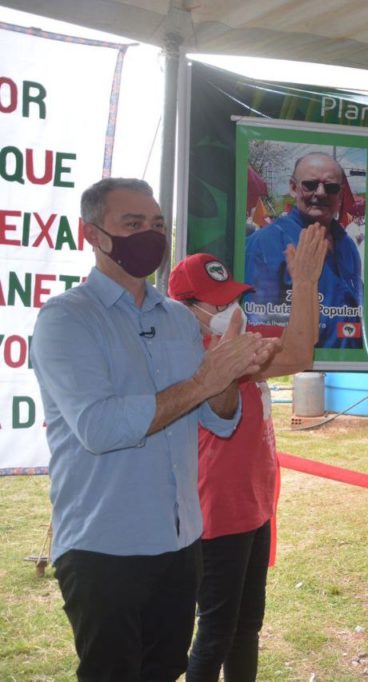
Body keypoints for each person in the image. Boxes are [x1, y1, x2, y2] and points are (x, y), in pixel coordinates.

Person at [30, 178, 279, 681]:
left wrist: (225, 379)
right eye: (133, 224)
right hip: (105, 547)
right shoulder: (67, 320)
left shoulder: (178, 321)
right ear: (93, 234)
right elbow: (99, 427)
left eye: (157, 225)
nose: (150, 234)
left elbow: (218, 419)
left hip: (180, 542)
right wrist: (205, 379)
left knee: (165, 670)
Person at [169, 223, 328, 682]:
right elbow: (295, 356)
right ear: (187, 308)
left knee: (246, 626)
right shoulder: (197, 356)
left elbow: (299, 351)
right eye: (217, 303)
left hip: (253, 508)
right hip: (217, 515)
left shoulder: (234, 343)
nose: (229, 309)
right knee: (216, 631)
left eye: (231, 297)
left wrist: (306, 284)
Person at [245, 151, 362, 349]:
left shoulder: (347, 244)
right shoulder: (266, 243)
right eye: (310, 185)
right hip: (292, 369)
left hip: (345, 364)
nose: (321, 192)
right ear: (293, 187)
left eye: (331, 187)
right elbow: (258, 322)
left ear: (340, 194)